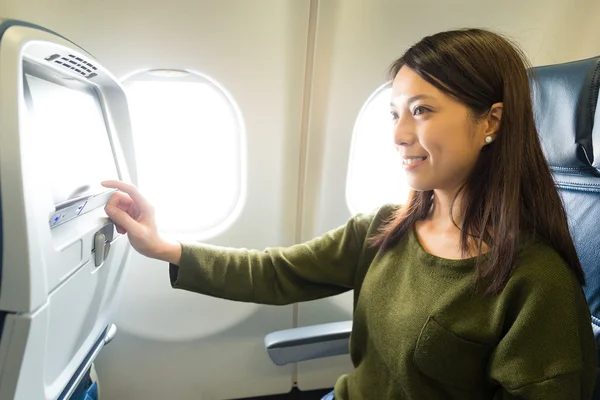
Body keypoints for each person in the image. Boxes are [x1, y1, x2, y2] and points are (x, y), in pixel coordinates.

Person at [102, 28, 598, 399]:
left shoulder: (534, 285)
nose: (399, 134)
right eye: (394, 113)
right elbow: (278, 271)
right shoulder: (386, 227)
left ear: (490, 120)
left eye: (421, 110)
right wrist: (162, 245)